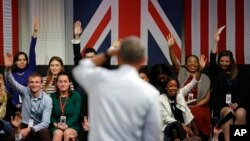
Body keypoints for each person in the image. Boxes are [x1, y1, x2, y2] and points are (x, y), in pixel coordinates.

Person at [73, 36, 162, 141]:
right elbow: (154, 136)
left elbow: (80, 69)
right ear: (144, 60)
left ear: (118, 58)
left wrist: (108, 53)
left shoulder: (101, 80)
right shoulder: (151, 93)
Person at [166, 34, 211, 139]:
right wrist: (170, 47)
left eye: (195, 62)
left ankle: (199, 136)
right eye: (190, 62)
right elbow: (174, 61)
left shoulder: (204, 77)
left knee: (195, 112)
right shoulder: (182, 72)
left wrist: (196, 105)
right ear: (185, 65)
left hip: (200, 105)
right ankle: (193, 137)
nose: (193, 64)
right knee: (186, 112)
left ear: (199, 64)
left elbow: (207, 96)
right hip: (183, 105)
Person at [4, 53, 52, 141]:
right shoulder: (25, 90)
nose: (34, 84)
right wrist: (7, 69)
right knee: (11, 137)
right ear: (28, 84)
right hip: (24, 124)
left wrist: (29, 129)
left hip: (39, 127)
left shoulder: (47, 99)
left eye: (37, 82)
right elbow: (11, 82)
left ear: (41, 84)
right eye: (32, 82)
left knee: (45, 133)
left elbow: (45, 123)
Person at [209, 29, 247, 141]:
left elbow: (243, 91)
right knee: (229, 113)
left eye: (226, 61)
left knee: (241, 113)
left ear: (231, 61)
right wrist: (216, 42)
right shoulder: (216, 72)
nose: (224, 63)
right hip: (221, 106)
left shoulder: (238, 73)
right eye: (221, 61)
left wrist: (237, 103)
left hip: (235, 104)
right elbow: (212, 59)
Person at [160, 57, 205, 141]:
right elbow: (166, 118)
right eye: (171, 86)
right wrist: (181, 125)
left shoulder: (179, 93)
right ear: (166, 87)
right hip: (169, 128)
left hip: (184, 125)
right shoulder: (160, 99)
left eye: (175, 86)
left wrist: (200, 70)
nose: (173, 88)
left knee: (193, 122)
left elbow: (193, 83)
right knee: (175, 127)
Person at [5, 18, 39, 113]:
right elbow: (8, 94)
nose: (22, 62)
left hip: (32, 106)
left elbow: (32, 51)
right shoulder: (12, 75)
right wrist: (15, 104)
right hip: (16, 108)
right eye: (19, 60)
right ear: (15, 62)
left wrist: (35, 33)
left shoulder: (30, 69)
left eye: (24, 59)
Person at [50, 71, 81, 141]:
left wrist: (66, 125)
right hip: (56, 125)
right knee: (58, 133)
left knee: (67, 132)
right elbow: (50, 115)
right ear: (57, 83)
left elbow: (76, 115)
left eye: (65, 81)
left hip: (72, 125)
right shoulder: (52, 96)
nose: (63, 84)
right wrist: (55, 124)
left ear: (69, 83)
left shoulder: (76, 96)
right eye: (60, 82)